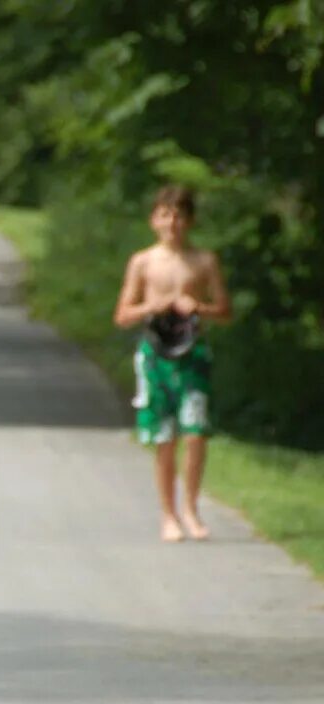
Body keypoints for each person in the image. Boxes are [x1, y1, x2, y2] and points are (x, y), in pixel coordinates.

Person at [113, 185, 232, 542]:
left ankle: (192, 510)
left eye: (179, 215)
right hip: (156, 353)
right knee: (164, 438)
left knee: (195, 435)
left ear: (191, 220)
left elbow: (225, 311)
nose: (172, 222)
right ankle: (168, 515)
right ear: (154, 220)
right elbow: (122, 315)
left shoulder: (204, 261)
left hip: (192, 350)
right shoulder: (143, 262)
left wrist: (200, 308)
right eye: (165, 214)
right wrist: (154, 305)